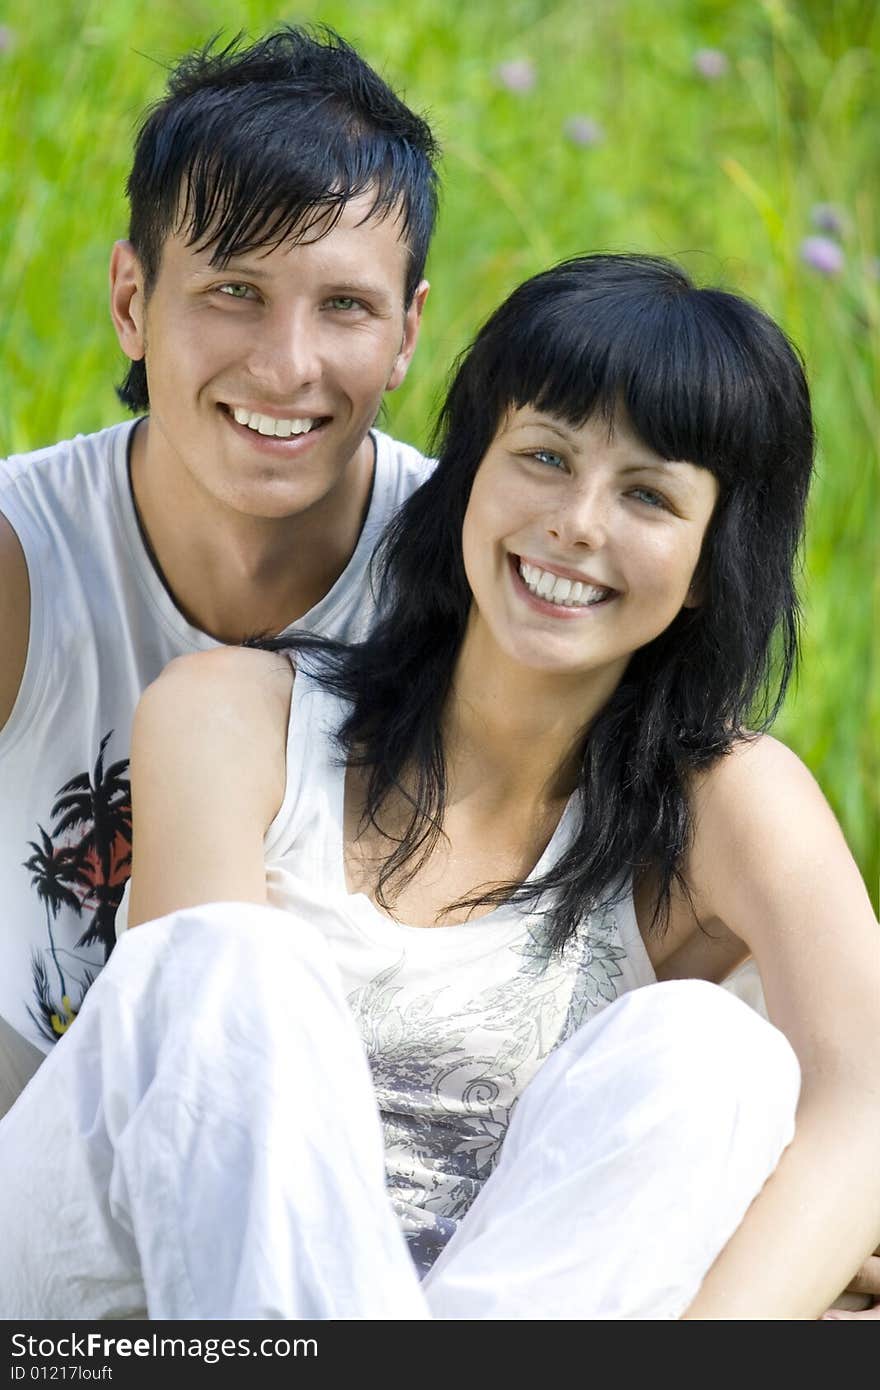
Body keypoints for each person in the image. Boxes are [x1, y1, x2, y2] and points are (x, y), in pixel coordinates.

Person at [1, 254, 877, 1320]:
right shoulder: (234, 714)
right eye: (544, 457)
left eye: (647, 494)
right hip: (120, 1301)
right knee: (230, 962)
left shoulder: (727, 799)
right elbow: (193, 1124)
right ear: (467, 476)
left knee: (715, 1057)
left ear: (708, 564)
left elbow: (863, 1102)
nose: (579, 523)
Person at [0, 26, 438, 1089]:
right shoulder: (24, 554)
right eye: (234, 291)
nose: (287, 367)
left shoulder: (463, 565)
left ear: (407, 333)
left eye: (344, 306)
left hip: (354, 1150)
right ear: (131, 301)